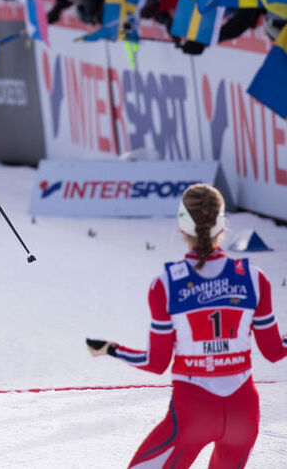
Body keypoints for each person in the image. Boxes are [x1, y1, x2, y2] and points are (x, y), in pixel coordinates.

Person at [88, 183, 287, 468]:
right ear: (223, 225)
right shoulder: (255, 279)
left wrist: (111, 350)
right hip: (244, 412)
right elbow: (274, 351)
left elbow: (156, 362)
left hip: (193, 412)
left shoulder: (166, 284)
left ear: (182, 227)